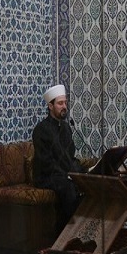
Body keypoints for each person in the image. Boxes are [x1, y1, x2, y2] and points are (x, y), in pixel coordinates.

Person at [32, 84, 85, 236]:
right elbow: (45, 162)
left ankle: (80, 230)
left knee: (86, 183)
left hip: (63, 174)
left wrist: (81, 172)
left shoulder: (67, 128)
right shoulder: (41, 130)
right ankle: (66, 234)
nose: (64, 107)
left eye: (65, 103)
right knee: (68, 187)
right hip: (46, 176)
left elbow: (70, 156)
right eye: (60, 103)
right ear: (50, 106)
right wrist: (67, 175)